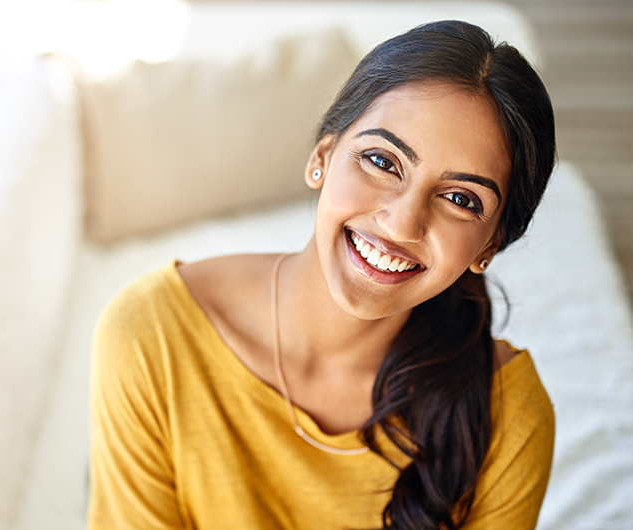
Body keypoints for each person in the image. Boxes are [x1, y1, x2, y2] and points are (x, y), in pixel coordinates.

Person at [88, 20, 556, 530]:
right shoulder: (152, 335)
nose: (401, 224)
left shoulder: (508, 415)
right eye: (382, 160)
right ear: (323, 155)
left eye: (460, 199)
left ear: (490, 245)